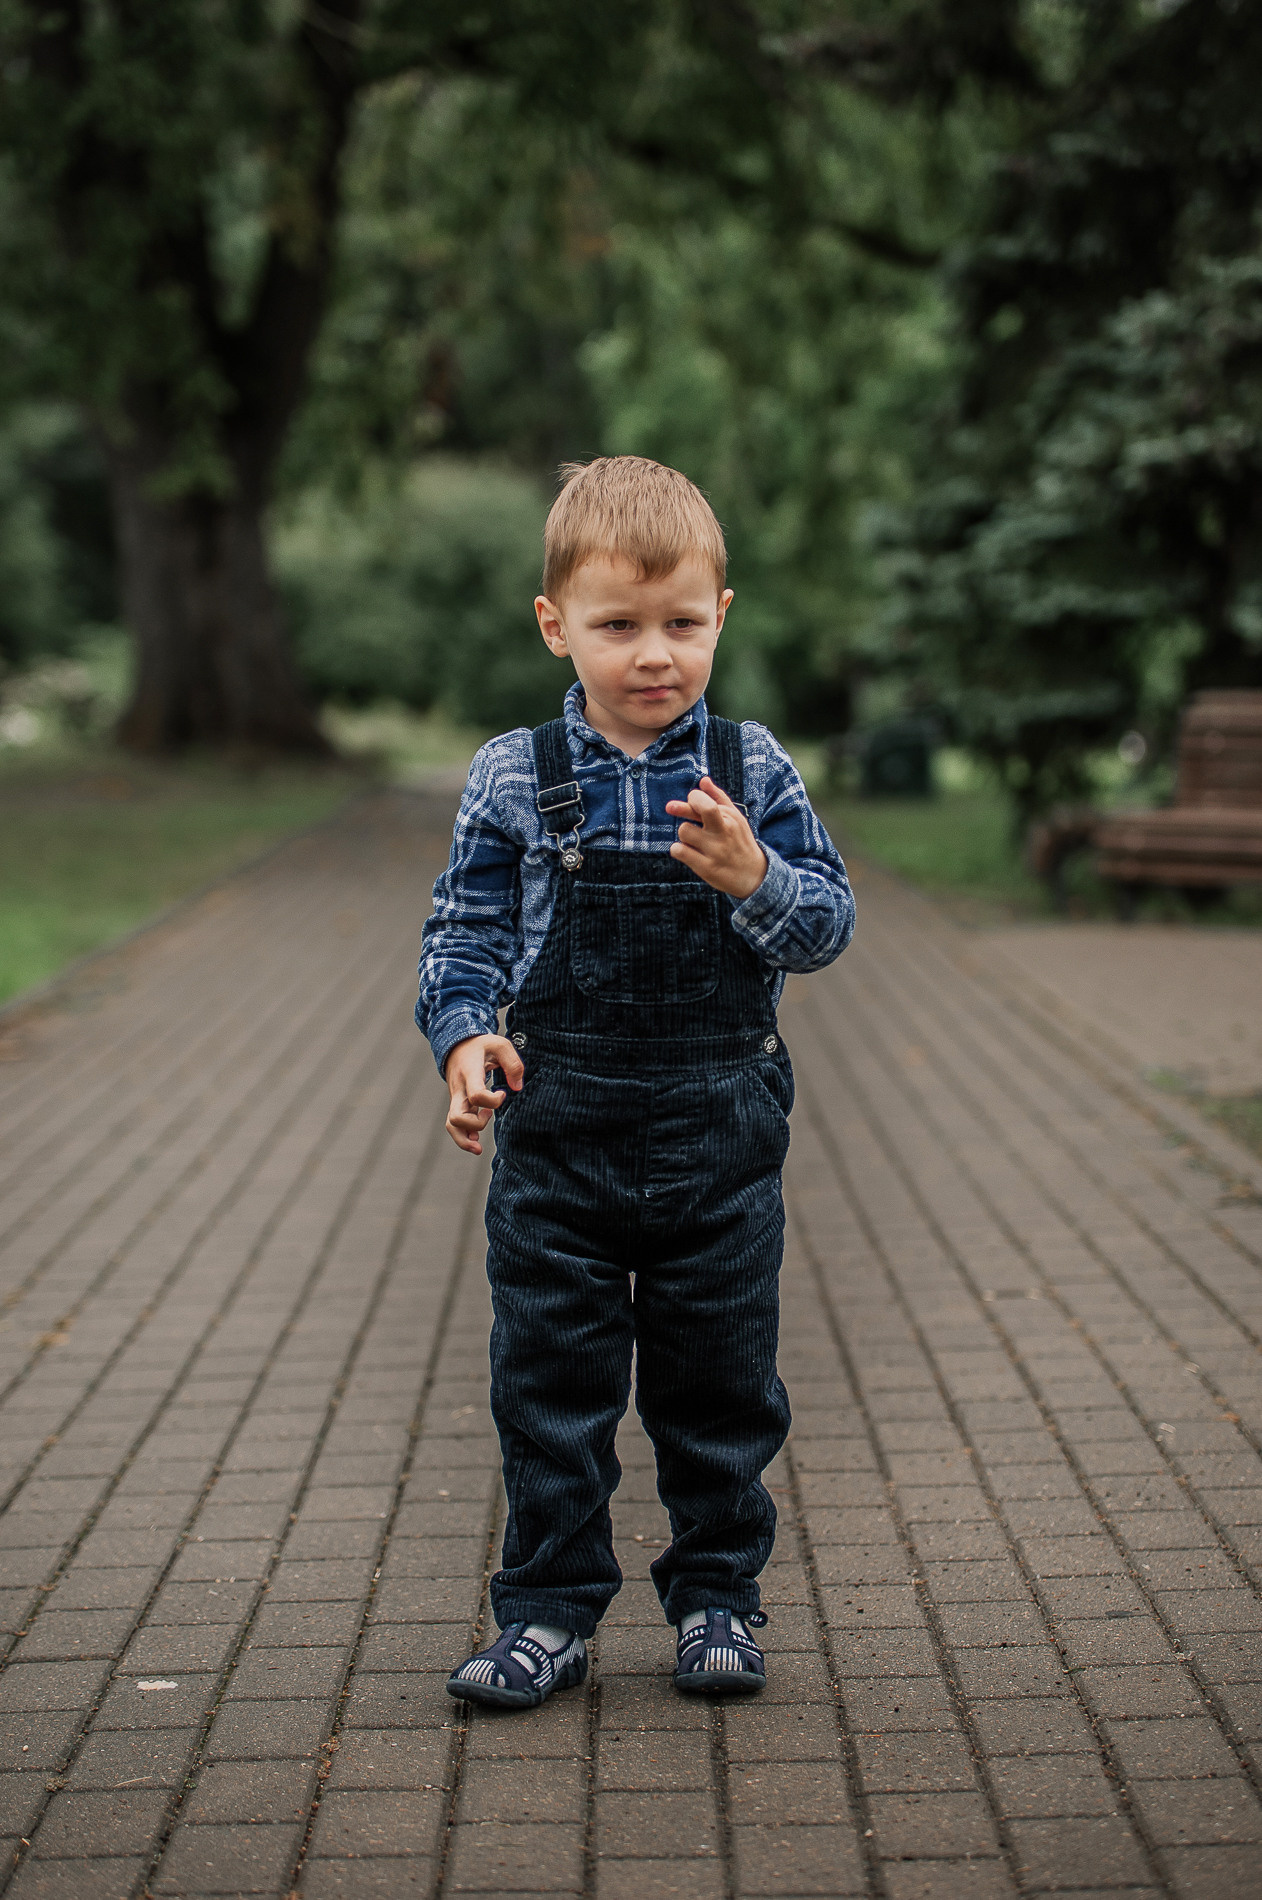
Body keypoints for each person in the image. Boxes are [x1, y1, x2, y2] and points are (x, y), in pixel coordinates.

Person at [416, 456, 854, 1710]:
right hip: (559, 1134)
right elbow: (464, 938)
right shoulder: (512, 774)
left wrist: (752, 877)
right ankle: (547, 1612)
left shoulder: (751, 769)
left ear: (723, 613)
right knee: (548, 1384)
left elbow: (824, 926)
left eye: (679, 622)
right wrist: (463, 1040)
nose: (651, 653)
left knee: (717, 1383)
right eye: (617, 626)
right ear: (557, 625)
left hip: (718, 1128)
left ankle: (718, 1598)